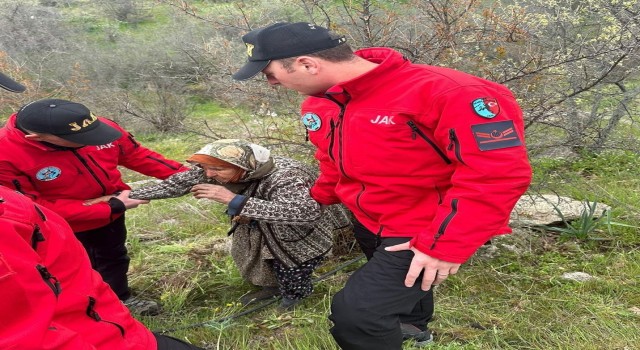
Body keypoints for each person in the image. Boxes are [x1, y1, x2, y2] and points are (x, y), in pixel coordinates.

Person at [232, 22, 532, 349]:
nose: (272, 83)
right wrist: (318, 198)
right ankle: (413, 328)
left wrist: (445, 244)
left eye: (271, 73)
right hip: (368, 219)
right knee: (404, 288)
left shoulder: (452, 92)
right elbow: (332, 159)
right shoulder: (320, 103)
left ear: (307, 64)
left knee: (357, 316)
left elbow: (497, 175)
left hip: (425, 227)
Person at [0, 71, 202, 350]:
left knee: (114, 255)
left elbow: (139, 156)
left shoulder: (97, 128)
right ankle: (88, 318)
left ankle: (121, 298)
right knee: (73, 275)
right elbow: (33, 209)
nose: (94, 140)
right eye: (83, 138)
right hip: (63, 229)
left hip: (112, 213)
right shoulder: (6, 154)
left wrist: (188, 176)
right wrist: (111, 205)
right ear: (37, 137)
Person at [126, 139, 353, 310]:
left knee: (292, 264)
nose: (209, 174)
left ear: (245, 166)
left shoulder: (286, 176)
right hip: (258, 222)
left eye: (217, 170)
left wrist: (233, 200)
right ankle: (271, 288)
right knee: (255, 256)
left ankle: (295, 298)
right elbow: (174, 185)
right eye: (206, 169)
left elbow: (305, 213)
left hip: (298, 230)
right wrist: (126, 195)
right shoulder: (219, 169)